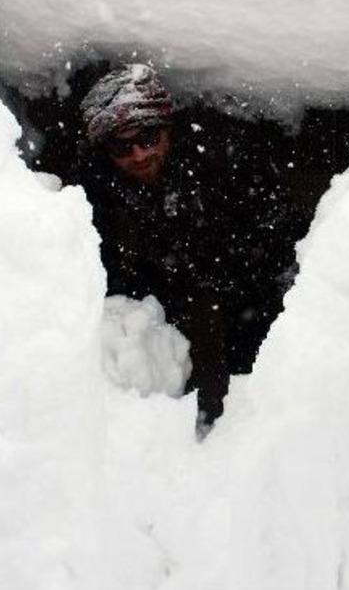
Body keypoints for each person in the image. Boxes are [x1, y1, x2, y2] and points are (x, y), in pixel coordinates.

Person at [77, 64, 304, 427]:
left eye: (148, 137)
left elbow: (280, 231)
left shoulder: (223, 154)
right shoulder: (98, 183)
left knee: (256, 380)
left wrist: (229, 276)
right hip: (166, 287)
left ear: (168, 127)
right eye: (122, 145)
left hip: (247, 282)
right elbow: (103, 257)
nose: (137, 155)